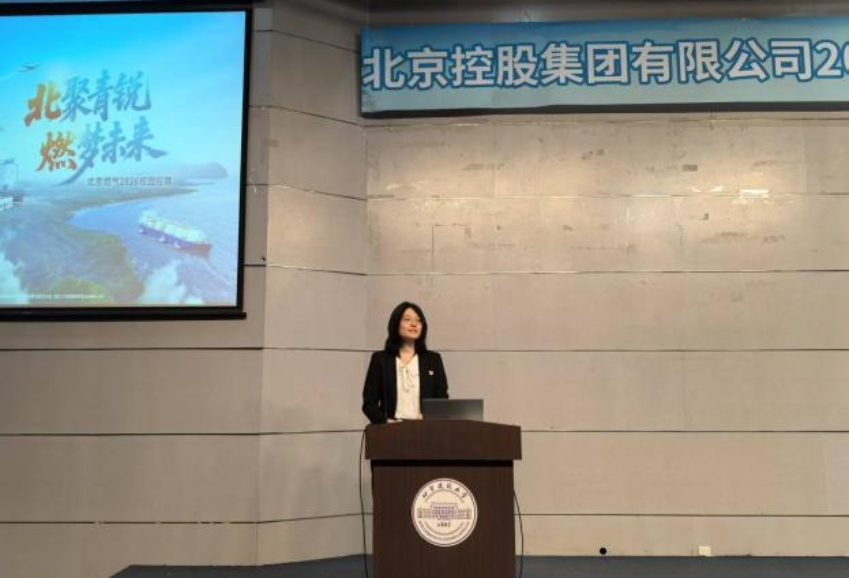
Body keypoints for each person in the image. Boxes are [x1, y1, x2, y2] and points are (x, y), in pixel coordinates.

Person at [362, 301, 449, 424]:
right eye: (407, 319)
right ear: (396, 324)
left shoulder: (433, 360)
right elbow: (369, 404)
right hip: (391, 429)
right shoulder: (380, 359)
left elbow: (442, 401)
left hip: (425, 428)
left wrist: (428, 418)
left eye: (418, 321)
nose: (414, 324)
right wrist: (385, 422)